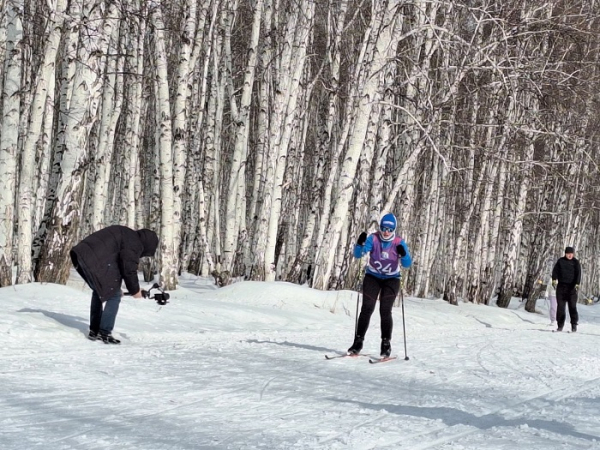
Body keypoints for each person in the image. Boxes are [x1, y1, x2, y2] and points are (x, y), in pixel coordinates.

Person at [70, 225, 159, 344]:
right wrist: (135, 290)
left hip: (82, 254)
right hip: (93, 259)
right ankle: (104, 332)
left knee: (99, 290)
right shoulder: (134, 243)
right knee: (114, 296)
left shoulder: (128, 236)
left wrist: (116, 287)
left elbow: (116, 264)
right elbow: (128, 268)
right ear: (147, 245)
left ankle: (94, 330)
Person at [348, 213, 412, 357]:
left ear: (394, 229)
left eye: (389, 229)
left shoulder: (398, 242)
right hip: (373, 276)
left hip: (392, 279)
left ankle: (385, 344)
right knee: (367, 308)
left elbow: (407, 264)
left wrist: (403, 255)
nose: (386, 232)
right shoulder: (374, 238)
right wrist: (360, 244)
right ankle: (358, 342)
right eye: (383, 228)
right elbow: (359, 255)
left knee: (385, 309)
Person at [551, 246, 581, 332]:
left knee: (572, 307)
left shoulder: (576, 262)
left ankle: (574, 325)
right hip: (561, 287)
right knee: (560, 307)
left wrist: (577, 283)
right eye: (568, 254)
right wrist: (554, 280)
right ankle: (560, 325)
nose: (570, 255)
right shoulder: (560, 261)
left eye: (571, 254)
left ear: (573, 254)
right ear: (565, 254)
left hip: (572, 288)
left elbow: (578, 273)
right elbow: (555, 271)